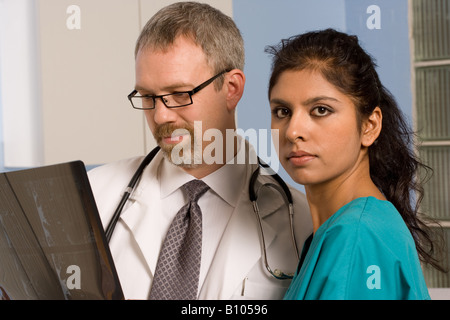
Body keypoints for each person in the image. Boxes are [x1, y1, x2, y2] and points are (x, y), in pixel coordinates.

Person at [88, 2, 312, 300]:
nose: (160, 117)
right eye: (148, 96)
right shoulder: (92, 197)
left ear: (231, 88)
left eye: (179, 94)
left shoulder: (302, 223)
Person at [265, 28, 445, 300]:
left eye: (321, 110)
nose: (292, 131)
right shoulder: (341, 230)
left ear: (369, 126)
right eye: (283, 111)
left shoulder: (355, 236)